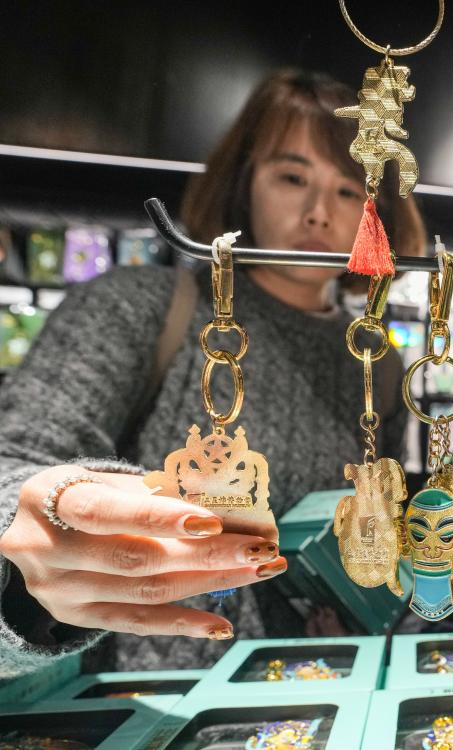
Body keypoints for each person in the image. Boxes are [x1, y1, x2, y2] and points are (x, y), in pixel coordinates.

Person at [0, 69, 425, 676]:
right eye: (292, 177)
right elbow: (17, 461)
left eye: (349, 190)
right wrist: (36, 535)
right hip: (141, 699)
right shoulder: (139, 308)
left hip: (314, 693)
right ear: (245, 182)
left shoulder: (377, 364)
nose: (318, 214)